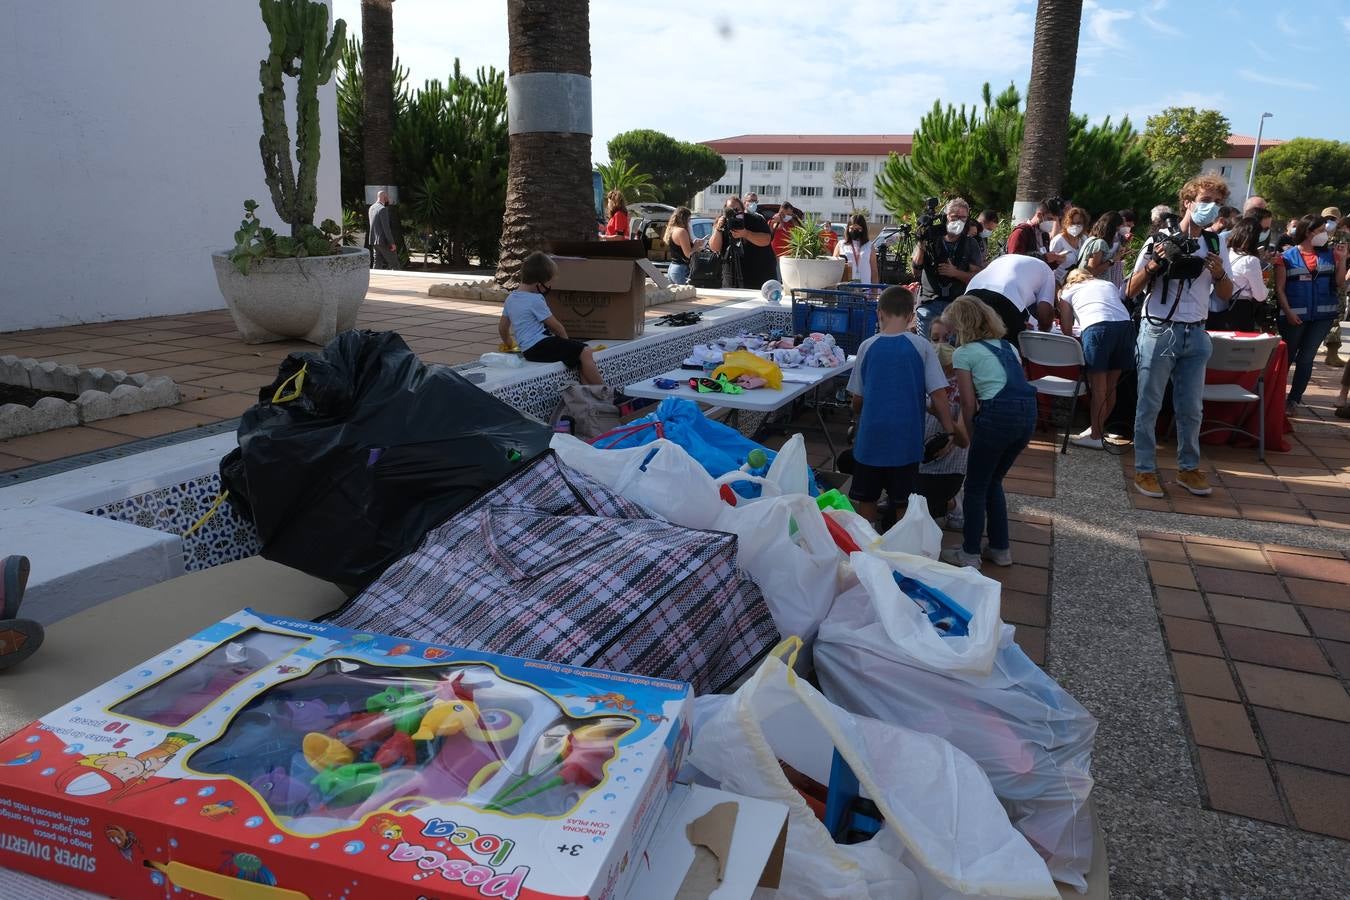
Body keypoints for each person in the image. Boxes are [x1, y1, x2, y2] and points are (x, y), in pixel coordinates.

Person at [1125, 173, 1234, 500]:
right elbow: (1130, 289)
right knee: (1149, 404)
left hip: (1197, 332)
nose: (1211, 208)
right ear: (1187, 202)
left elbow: (1227, 294)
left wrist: (1219, 273)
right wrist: (1156, 263)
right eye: (1205, 201)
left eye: (1217, 203)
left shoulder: (1216, 242)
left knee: (1191, 408)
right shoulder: (1158, 238)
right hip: (1160, 329)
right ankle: (1145, 470)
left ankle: (1188, 467)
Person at [845, 287, 962, 525]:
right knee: (903, 503)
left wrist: (861, 417)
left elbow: (857, 400)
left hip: (870, 440)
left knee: (867, 501)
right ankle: (902, 551)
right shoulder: (922, 347)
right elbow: (939, 395)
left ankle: (865, 551)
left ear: (879, 314)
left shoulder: (867, 346)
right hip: (906, 442)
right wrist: (950, 430)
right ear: (911, 316)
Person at [938, 295, 1037, 569]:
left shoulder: (964, 354)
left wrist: (963, 438)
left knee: (975, 487)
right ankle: (1000, 548)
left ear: (961, 327)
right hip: (1027, 415)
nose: (951, 337)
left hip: (997, 417)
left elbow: (968, 404)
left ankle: (970, 553)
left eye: (952, 331)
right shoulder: (1008, 347)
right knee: (993, 481)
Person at [1274, 214, 1347, 412]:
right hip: (1294, 316)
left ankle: (1293, 400)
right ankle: (1274, 397)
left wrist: (1343, 260)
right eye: (1321, 231)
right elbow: (1279, 288)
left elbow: (1339, 283)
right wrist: (1288, 312)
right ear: (1308, 232)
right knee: (1287, 357)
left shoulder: (1329, 254)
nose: (1325, 235)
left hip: (1322, 317)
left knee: (1306, 358)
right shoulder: (1286, 257)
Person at [498, 252, 603, 385]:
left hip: (528, 350)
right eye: (549, 284)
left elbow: (502, 328)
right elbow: (556, 327)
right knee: (585, 351)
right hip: (540, 346)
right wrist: (567, 343)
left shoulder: (511, 299)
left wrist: (509, 345)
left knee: (578, 356)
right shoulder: (535, 299)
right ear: (539, 283)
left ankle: (588, 393)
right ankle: (607, 393)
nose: (549, 288)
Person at [1059, 268, 1134, 449]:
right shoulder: (1107, 284)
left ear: (1070, 280)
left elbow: (1067, 329)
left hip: (1097, 328)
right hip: (1126, 328)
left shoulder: (1067, 291)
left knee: (1098, 388)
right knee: (1111, 386)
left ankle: (1096, 436)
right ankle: (1096, 428)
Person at [912, 197, 984, 337]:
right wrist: (921, 244)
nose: (959, 221)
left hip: (957, 307)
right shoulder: (931, 238)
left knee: (951, 353)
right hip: (929, 304)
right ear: (946, 217)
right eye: (955, 217)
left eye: (963, 218)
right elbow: (916, 270)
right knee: (927, 351)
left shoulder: (970, 244)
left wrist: (955, 273)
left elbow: (977, 278)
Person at [918, 331, 970, 526]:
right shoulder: (922, 377)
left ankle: (950, 504)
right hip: (919, 459)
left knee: (919, 518)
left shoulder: (963, 388)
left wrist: (938, 411)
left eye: (947, 340)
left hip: (945, 466)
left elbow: (963, 440)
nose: (939, 346)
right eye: (934, 338)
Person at [966, 252, 1058, 344]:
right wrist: (1044, 333)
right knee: (1010, 348)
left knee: (970, 340)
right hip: (1005, 297)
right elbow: (1044, 313)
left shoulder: (1004, 258)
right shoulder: (1046, 270)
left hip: (970, 293)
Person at [1210, 216, 1268, 332]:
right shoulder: (1250, 260)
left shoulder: (1226, 253)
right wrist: (1265, 286)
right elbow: (1260, 296)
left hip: (1215, 309)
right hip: (1239, 311)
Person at [708, 196, 776, 289]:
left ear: (743, 209)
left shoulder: (755, 219)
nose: (734, 213)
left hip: (758, 275)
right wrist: (718, 229)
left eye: (737, 209)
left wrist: (746, 234)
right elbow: (714, 248)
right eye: (730, 210)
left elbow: (766, 240)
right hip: (731, 277)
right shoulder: (722, 223)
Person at [1006, 197, 1066, 266]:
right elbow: (1014, 258)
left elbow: (1044, 264)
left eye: (1055, 220)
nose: (1053, 222)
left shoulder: (1044, 235)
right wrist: (1044, 257)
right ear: (1039, 215)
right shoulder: (1021, 232)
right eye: (1050, 218)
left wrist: (1056, 261)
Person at [1321, 206, 1346, 367]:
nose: (1329, 222)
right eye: (1326, 219)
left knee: (1336, 316)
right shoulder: (1316, 234)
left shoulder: (1344, 236)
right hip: (1319, 279)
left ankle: (1332, 353)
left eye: (1332, 219)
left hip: (1337, 279)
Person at [662, 207, 704, 286]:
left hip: (672, 267)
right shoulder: (681, 231)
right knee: (687, 296)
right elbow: (688, 254)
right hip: (681, 269)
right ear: (684, 218)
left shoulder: (671, 229)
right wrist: (696, 245)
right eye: (689, 219)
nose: (689, 221)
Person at [1076, 211, 1123, 280]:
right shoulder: (1099, 243)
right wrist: (1112, 260)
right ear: (1113, 228)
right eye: (1117, 229)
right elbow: (1092, 271)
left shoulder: (1091, 239)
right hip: (1093, 286)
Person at [1048, 206, 1089, 284]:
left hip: (1079, 282)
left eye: (1079, 223)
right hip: (1058, 283)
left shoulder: (1083, 239)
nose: (1076, 226)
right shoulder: (1058, 240)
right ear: (1067, 222)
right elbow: (1050, 267)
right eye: (1073, 223)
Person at [835, 213, 879, 283]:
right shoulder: (841, 244)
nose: (855, 231)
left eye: (858, 228)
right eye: (852, 228)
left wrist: (875, 291)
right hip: (845, 288)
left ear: (863, 229)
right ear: (848, 228)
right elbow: (834, 267)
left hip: (865, 288)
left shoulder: (869, 246)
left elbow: (874, 271)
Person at [367, 190, 400, 270]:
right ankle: (399, 281)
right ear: (384, 197)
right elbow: (386, 228)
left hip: (374, 240)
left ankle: (374, 281)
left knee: (377, 263)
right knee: (394, 264)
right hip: (383, 241)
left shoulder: (371, 208)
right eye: (388, 197)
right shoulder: (383, 209)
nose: (388, 199)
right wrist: (392, 243)